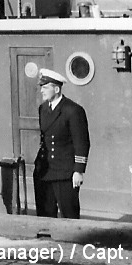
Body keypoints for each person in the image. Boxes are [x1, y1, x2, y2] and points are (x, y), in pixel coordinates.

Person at [34, 68, 90, 219]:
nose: (42, 91)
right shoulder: (43, 109)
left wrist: (78, 170)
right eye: (41, 87)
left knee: (69, 214)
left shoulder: (73, 110)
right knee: (44, 214)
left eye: (45, 87)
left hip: (65, 172)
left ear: (57, 89)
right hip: (44, 170)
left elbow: (82, 143)